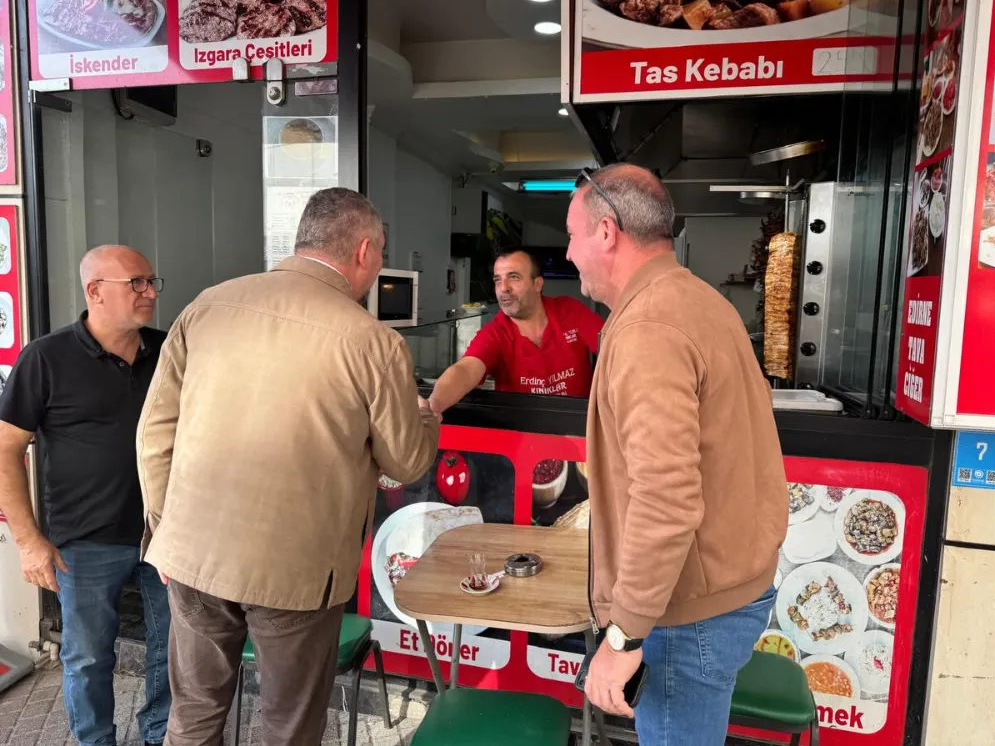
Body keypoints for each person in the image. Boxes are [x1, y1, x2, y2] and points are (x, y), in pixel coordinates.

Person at [137, 188, 440, 746]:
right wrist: (426, 415)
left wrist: (164, 531)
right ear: (364, 250)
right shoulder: (374, 342)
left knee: (194, 714)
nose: (379, 265)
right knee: (289, 726)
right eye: (381, 252)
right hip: (298, 573)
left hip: (193, 556)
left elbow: (155, 432)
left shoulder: (207, 306)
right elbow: (405, 461)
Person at [566, 165, 788, 745]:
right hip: (719, 593)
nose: (568, 254)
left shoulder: (648, 326)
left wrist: (624, 636)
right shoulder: (698, 299)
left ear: (606, 232)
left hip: (687, 614)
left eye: (571, 235)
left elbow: (665, 498)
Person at [0, 246, 170, 746]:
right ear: (95, 291)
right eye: (136, 283)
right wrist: (28, 541)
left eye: (151, 280)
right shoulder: (46, 358)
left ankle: (160, 736)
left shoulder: (168, 352)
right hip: (84, 542)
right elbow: (6, 450)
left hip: (165, 534)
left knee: (172, 650)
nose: (150, 292)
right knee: (89, 657)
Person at [428, 247, 604, 414]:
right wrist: (432, 406)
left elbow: (613, 346)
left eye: (513, 277)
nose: (503, 288)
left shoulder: (570, 311)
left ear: (537, 284)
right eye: (497, 280)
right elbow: (466, 370)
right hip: (519, 429)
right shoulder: (495, 333)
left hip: (579, 425)